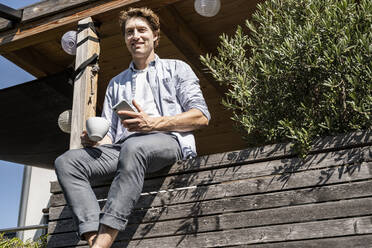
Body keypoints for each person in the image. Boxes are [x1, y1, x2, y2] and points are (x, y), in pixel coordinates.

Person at [54, 7, 210, 248]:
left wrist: (153, 123)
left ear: (155, 36)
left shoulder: (177, 69)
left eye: (141, 30)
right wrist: (94, 142)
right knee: (67, 162)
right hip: (124, 149)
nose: (135, 36)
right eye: (129, 32)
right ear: (125, 39)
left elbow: (201, 117)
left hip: (168, 141)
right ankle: (93, 238)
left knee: (134, 146)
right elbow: (112, 138)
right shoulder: (117, 83)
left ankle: (104, 242)